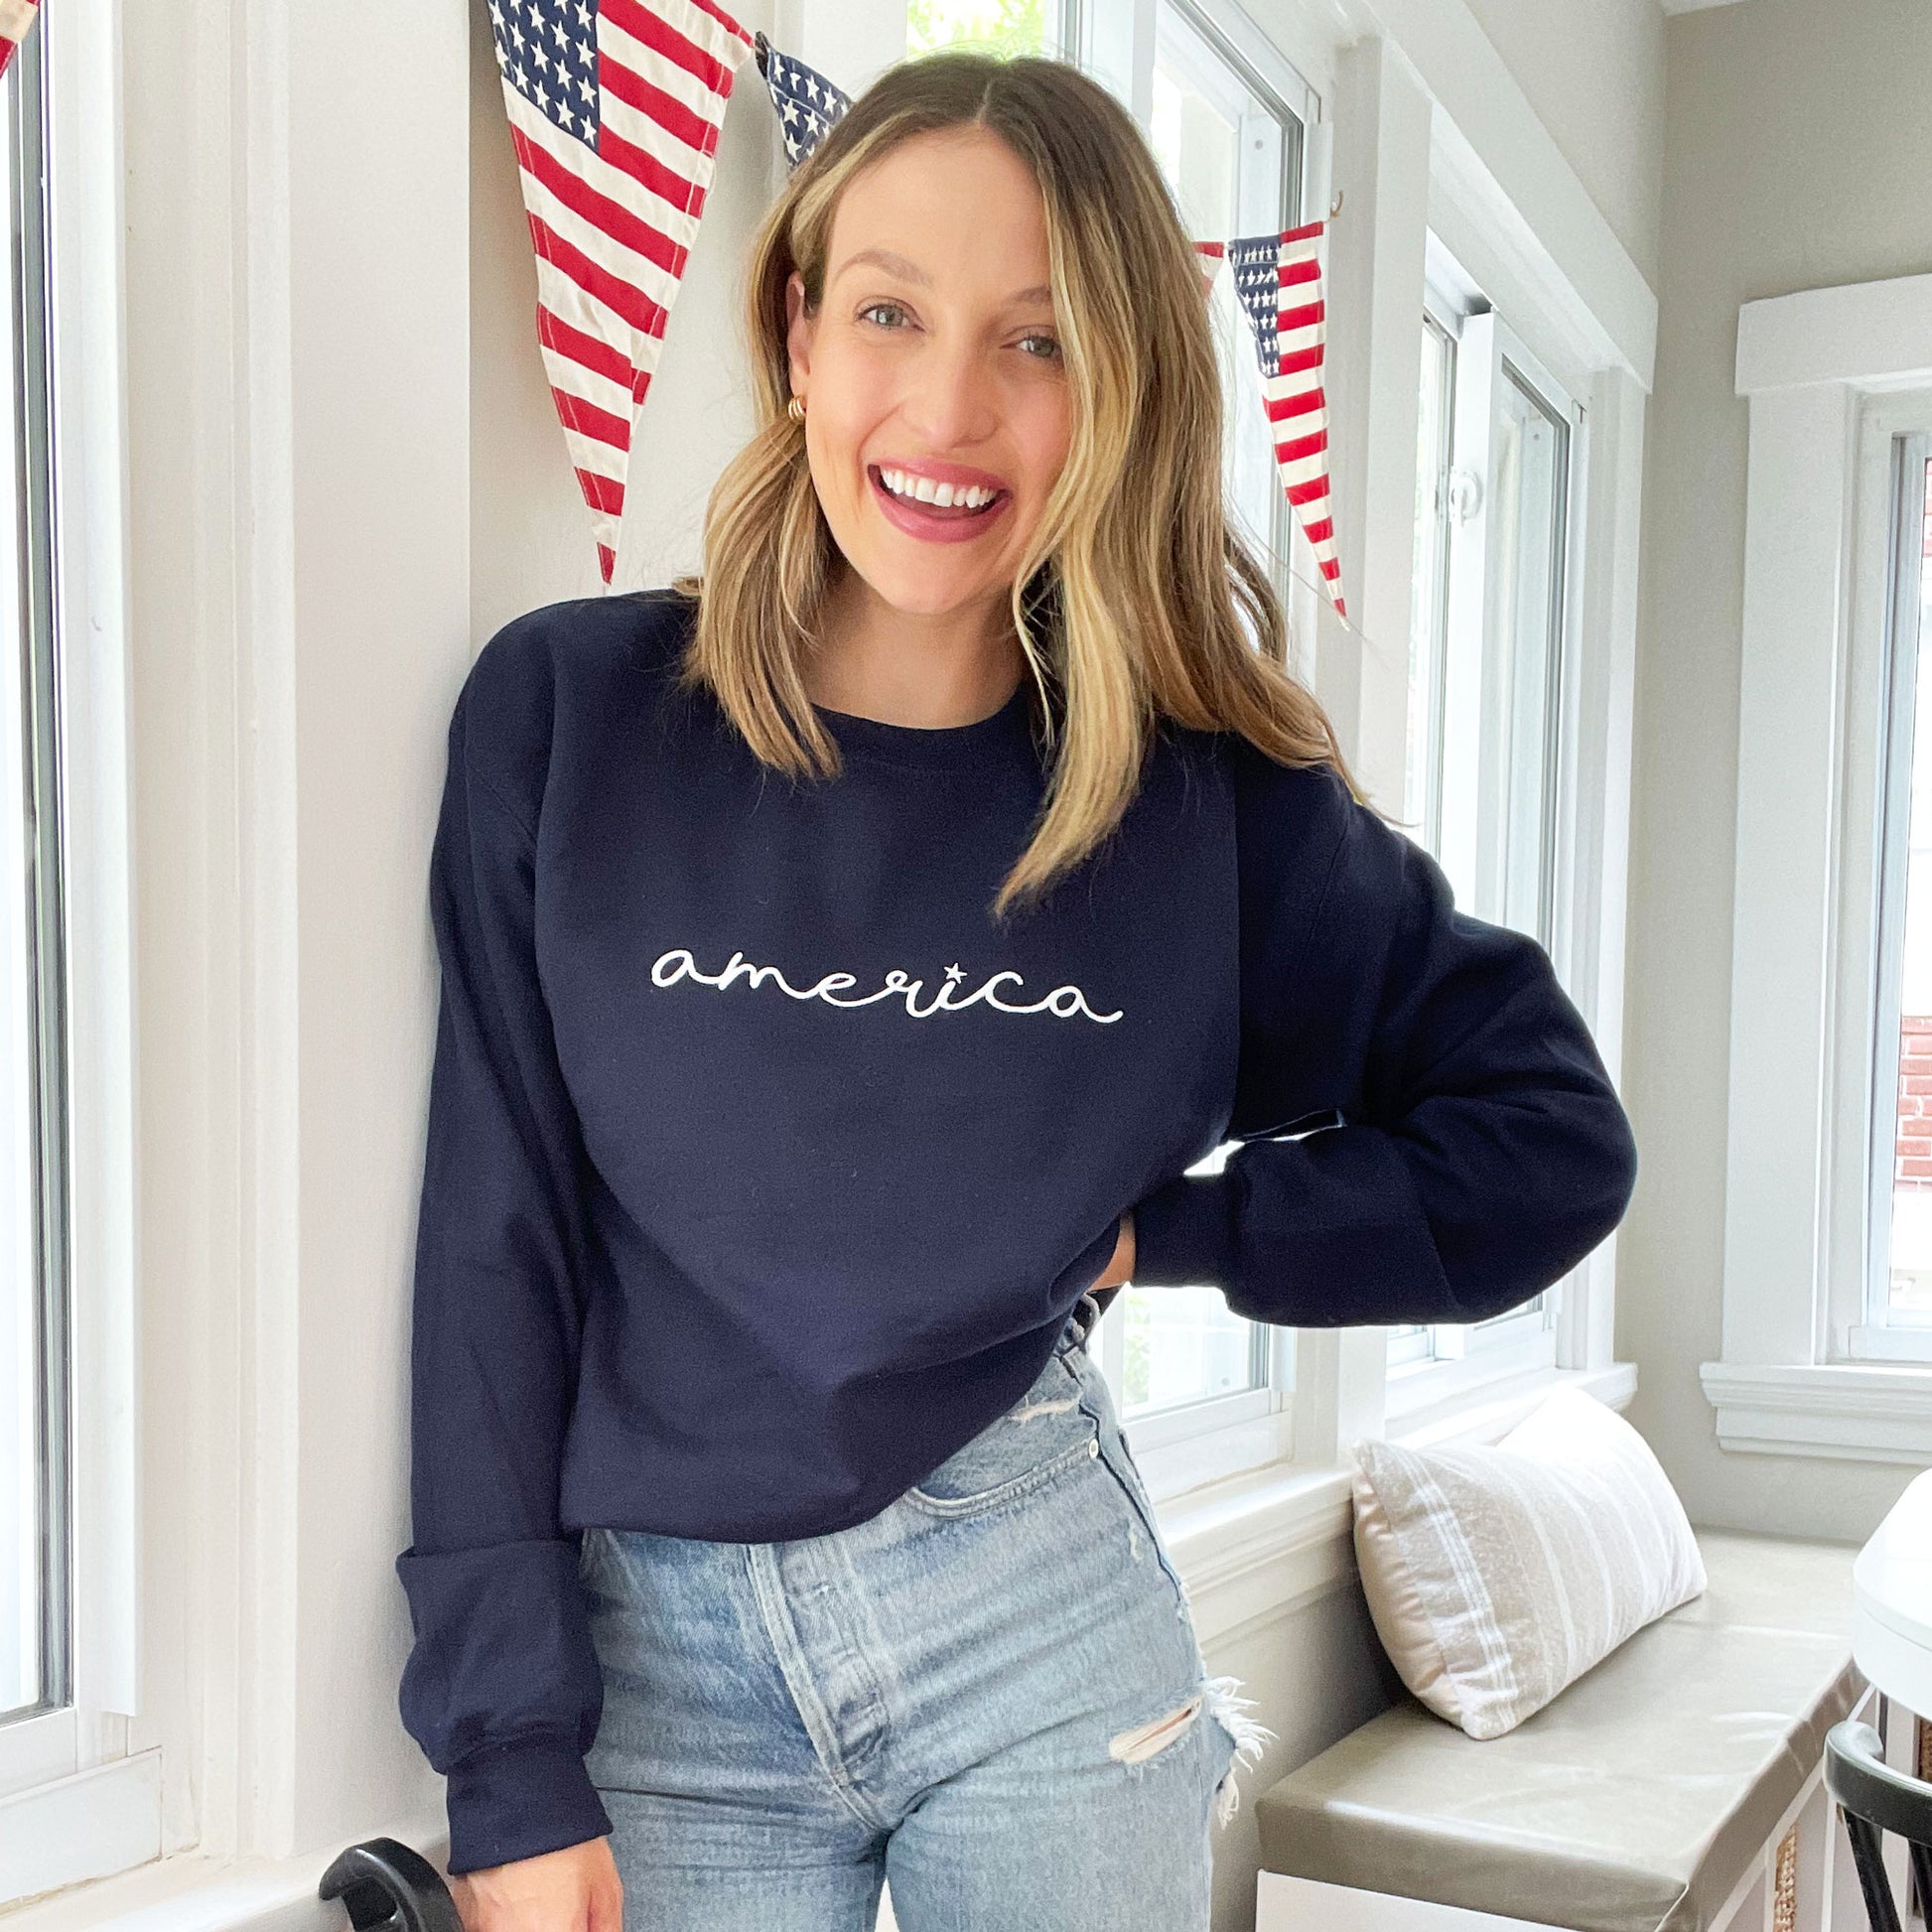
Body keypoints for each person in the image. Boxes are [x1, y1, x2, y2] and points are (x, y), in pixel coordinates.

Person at [391, 46, 1639, 1932]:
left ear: (1118, 387)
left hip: (1039, 1613)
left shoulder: (1207, 817)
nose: (949, 406)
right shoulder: (568, 722)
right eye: (889, 310)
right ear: (800, 332)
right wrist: (504, 1752)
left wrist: (1178, 1233)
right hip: (655, 1663)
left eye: (1039, 341)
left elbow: (1547, 1141)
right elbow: (493, 1240)